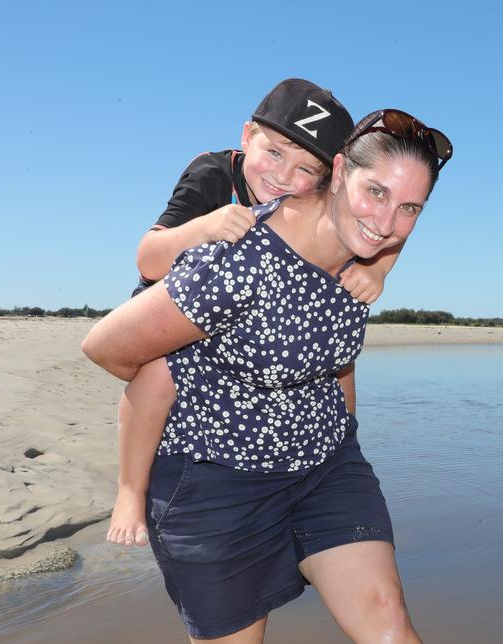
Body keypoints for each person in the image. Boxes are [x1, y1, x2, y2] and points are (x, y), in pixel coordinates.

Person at [83, 108, 453, 644]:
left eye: (410, 209)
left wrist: (347, 443)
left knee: (385, 619)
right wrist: (198, 385)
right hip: (216, 480)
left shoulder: (364, 262)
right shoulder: (240, 256)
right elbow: (105, 347)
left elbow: (338, 361)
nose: (388, 223)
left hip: (325, 465)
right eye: (376, 192)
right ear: (338, 172)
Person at [106, 79, 406, 548]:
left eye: (307, 169)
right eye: (275, 152)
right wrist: (203, 227)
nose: (285, 177)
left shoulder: (313, 203)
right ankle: (130, 489)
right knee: (158, 377)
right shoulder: (212, 174)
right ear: (247, 136)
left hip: (250, 315)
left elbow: (392, 218)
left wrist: (381, 269)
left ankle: (340, 445)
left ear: (330, 179)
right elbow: (147, 257)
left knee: (335, 353)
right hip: (175, 304)